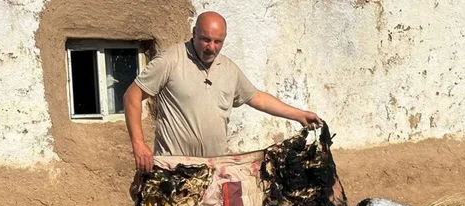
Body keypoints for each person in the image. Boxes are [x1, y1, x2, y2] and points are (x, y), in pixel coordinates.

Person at [123, 11, 323, 172]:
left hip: (215, 170)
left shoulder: (228, 69)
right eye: (205, 40)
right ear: (194, 33)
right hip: (173, 170)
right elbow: (132, 96)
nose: (211, 47)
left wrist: (299, 115)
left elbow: (257, 98)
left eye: (218, 41)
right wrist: (139, 144)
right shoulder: (171, 60)